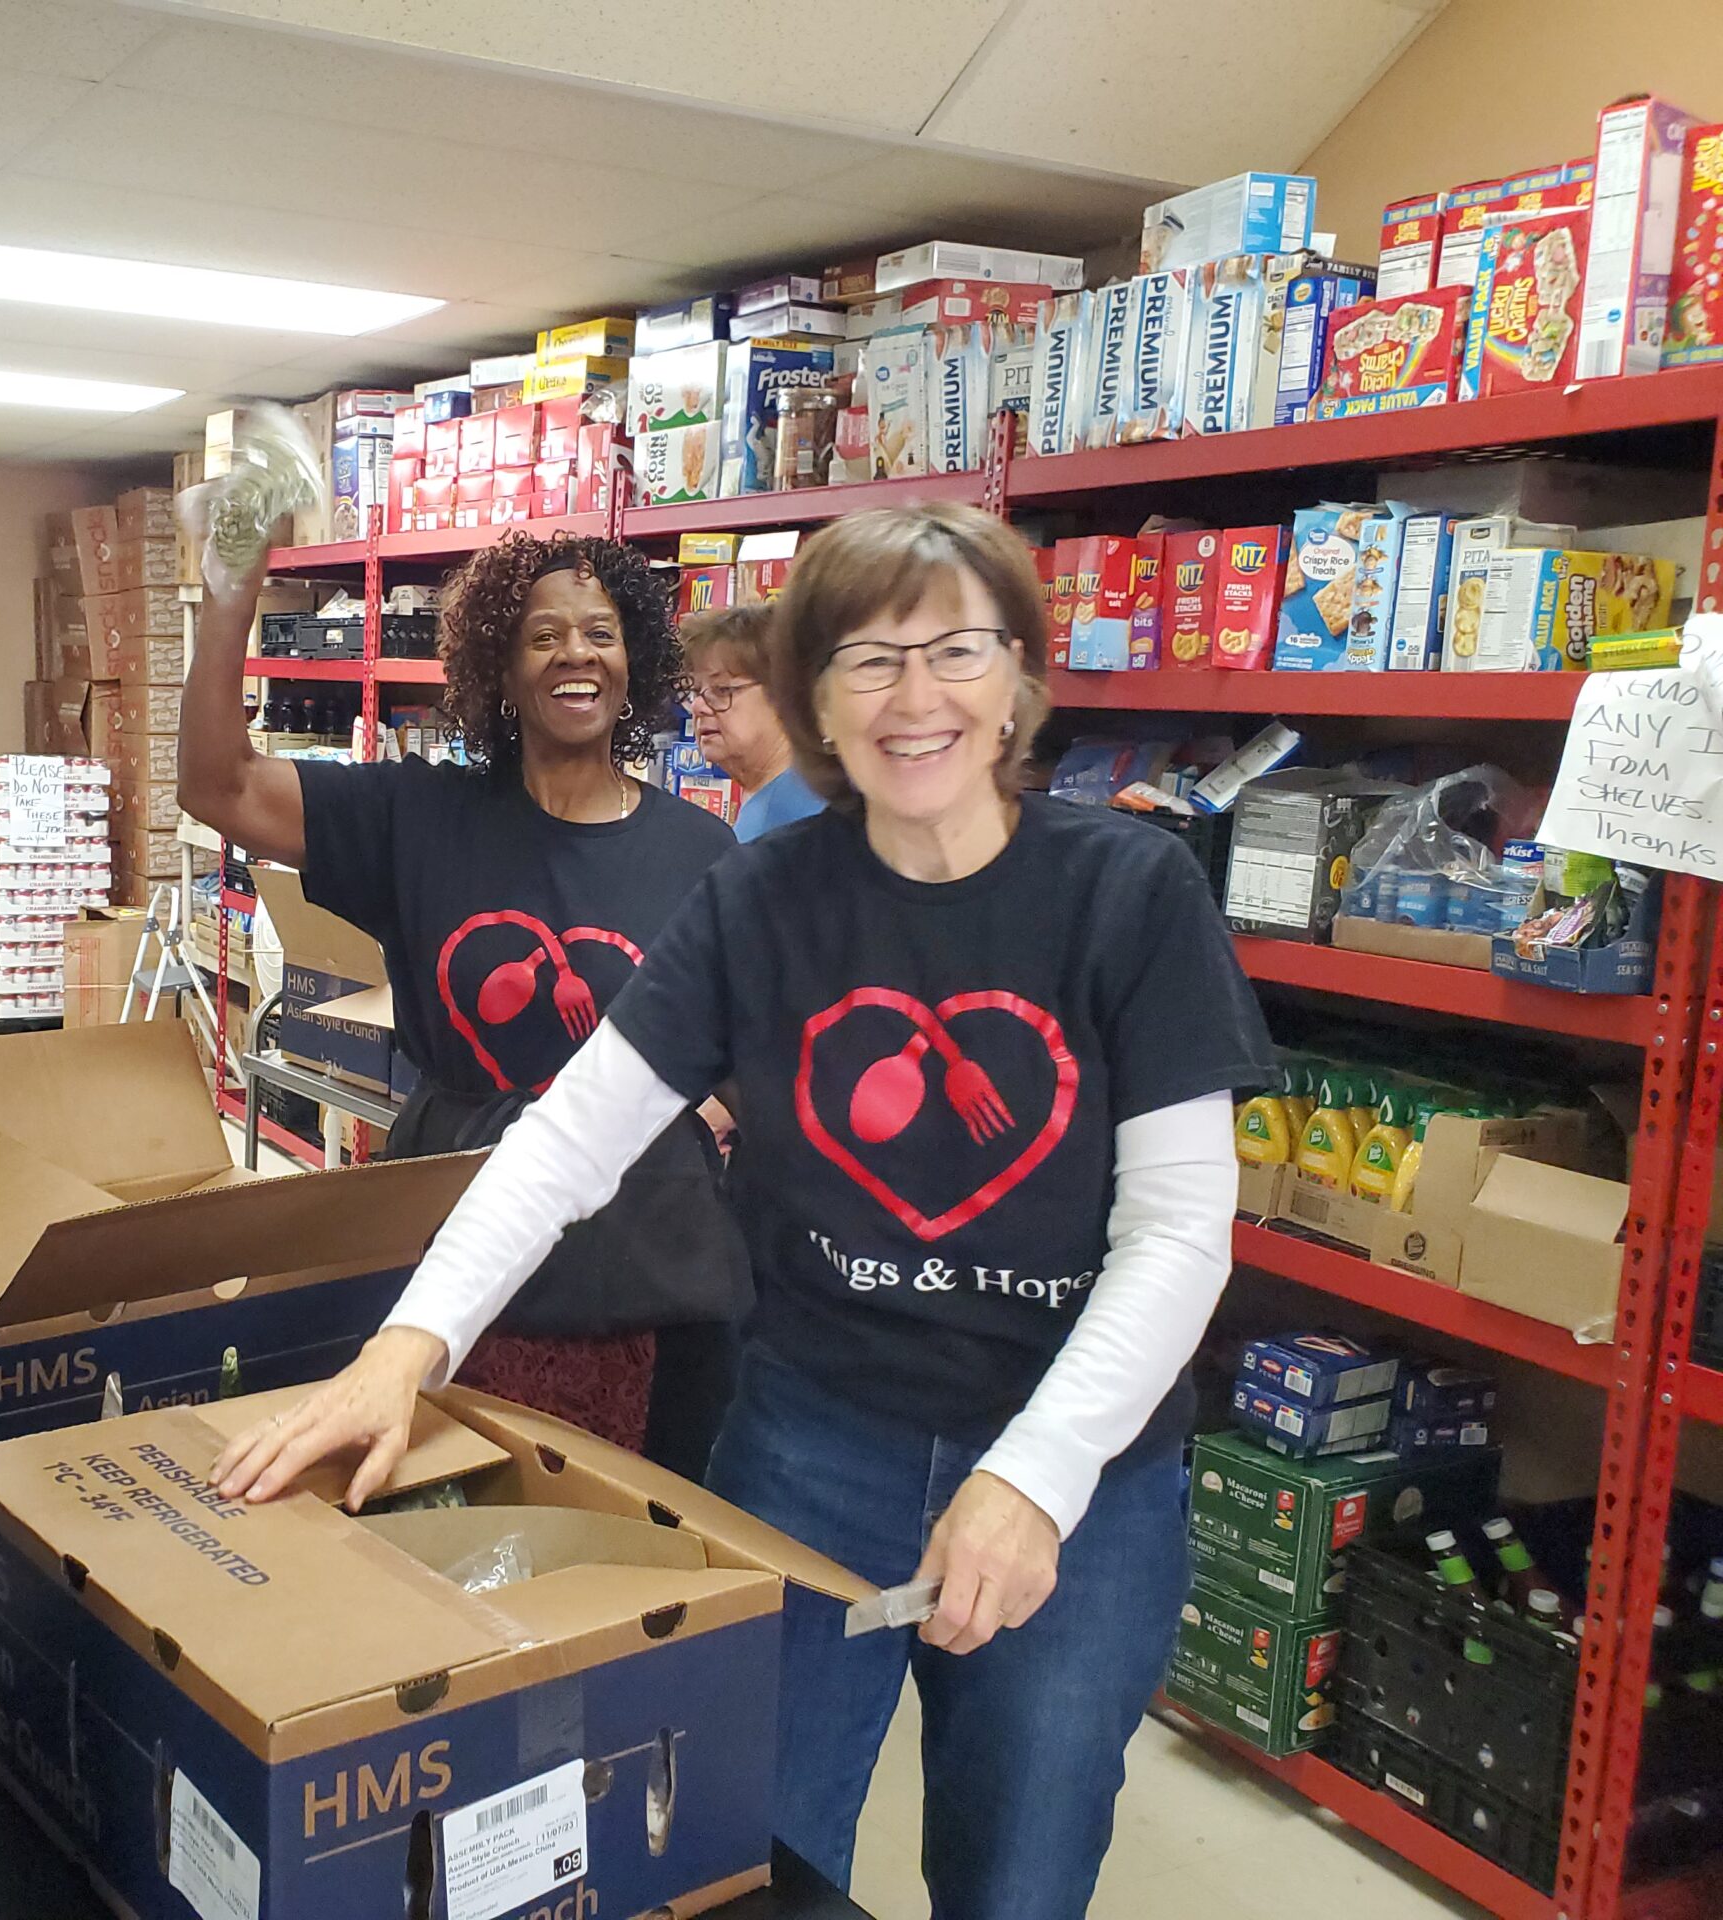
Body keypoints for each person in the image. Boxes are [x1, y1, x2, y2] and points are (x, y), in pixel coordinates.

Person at [214, 502, 1274, 1920]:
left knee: (1018, 1866)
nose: (914, 699)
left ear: (1020, 674)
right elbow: (565, 1143)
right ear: (814, 700)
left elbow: (1179, 1232)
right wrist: (403, 1353)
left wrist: (1036, 1478)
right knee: (749, 1854)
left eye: (954, 650)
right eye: (865, 660)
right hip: (815, 1445)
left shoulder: (1127, 894)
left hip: (1083, 1478)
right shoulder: (759, 894)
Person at [175, 517, 750, 1479]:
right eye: (544, 634)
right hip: (450, 1241)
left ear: (636, 659)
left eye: (601, 633)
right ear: (500, 667)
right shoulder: (418, 817)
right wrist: (231, 596)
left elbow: (741, 1054)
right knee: (444, 1523)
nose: (577, 654)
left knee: (629, 1555)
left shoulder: (702, 852)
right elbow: (215, 782)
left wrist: (707, 1124)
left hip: (645, 1285)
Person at [682, 602, 824, 842]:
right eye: (696, 692)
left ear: (783, 695)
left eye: (722, 690)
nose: (698, 707)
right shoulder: (773, 800)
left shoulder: (798, 818)